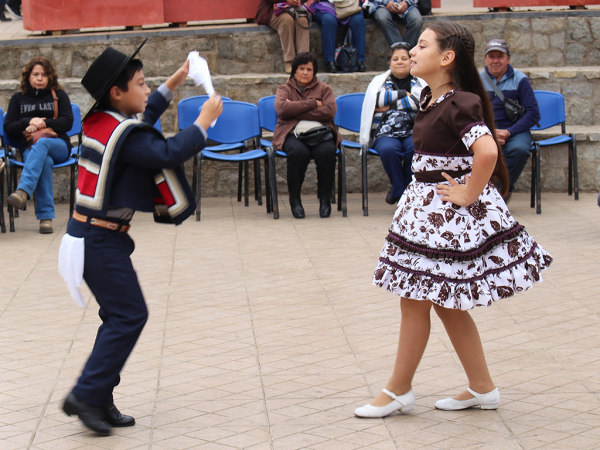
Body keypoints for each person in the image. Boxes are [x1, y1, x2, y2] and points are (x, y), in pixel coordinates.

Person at [354, 22, 552, 419]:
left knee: (416, 302)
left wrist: (468, 193)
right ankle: (481, 387)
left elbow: (487, 153)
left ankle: (398, 390)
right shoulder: (430, 96)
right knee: (443, 304)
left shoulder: (460, 102)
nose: (412, 50)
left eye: (421, 45)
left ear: (447, 58)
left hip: (443, 215)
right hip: (426, 210)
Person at [59, 42, 222, 435]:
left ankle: (98, 396)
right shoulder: (124, 133)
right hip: (98, 241)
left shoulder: (102, 120)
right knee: (130, 315)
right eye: (142, 83)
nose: (148, 89)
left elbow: (143, 115)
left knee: (117, 317)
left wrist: (175, 81)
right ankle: (85, 395)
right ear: (117, 93)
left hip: (92, 236)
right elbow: (165, 152)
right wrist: (202, 123)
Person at [5, 56, 74, 234]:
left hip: (58, 144)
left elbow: (68, 122)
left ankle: (23, 191)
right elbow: (9, 128)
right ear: (28, 76)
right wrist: (28, 121)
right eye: (35, 74)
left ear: (50, 77)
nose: (39, 78)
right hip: (30, 148)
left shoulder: (59, 95)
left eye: (44, 75)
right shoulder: (18, 99)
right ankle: (46, 219)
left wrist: (45, 123)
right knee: (45, 162)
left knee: (43, 144)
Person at [273, 52, 341, 219]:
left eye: (309, 69)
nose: (305, 73)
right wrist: (312, 104)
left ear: (314, 72)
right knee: (298, 153)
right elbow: (281, 109)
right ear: (294, 71)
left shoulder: (325, 89)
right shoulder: (284, 89)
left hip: (321, 133)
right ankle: (295, 200)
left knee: (327, 152)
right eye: (301, 69)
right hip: (292, 133)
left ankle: (325, 199)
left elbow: (330, 111)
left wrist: (296, 110)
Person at [360, 42, 424, 205]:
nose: (400, 62)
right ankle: (402, 191)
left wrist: (391, 105)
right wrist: (403, 94)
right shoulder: (379, 82)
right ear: (389, 62)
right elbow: (377, 99)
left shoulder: (420, 80)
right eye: (395, 59)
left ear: (412, 61)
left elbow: (419, 101)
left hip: (414, 130)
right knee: (389, 150)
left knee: (415, 148)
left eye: (404, 58)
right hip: (386, 132)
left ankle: (400, 190)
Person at [480, 39, 540, 203]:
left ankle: (502, 190)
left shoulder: (520, 80)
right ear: (485, 59)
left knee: (519, 149)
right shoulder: (477, 80)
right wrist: (489, 131)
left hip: (515, 130)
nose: (496, 61)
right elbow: (470, 111)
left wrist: (509, 132)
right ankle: (482, 192)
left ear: (508, 59)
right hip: (486, 130)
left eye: (500, 56)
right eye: (491, 56)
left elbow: (534, 114)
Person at [310, 0, 366, 73]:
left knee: (358, 21)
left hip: (349, 6)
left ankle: (359, 60)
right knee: (329, 20)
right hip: (325, 6)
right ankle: (330, 61)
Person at [255, 0, 310, 74]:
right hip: (272, 9)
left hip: (295, 8)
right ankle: (289, 60)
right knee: (286, 20)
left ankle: (304, 60)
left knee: (302, 20)